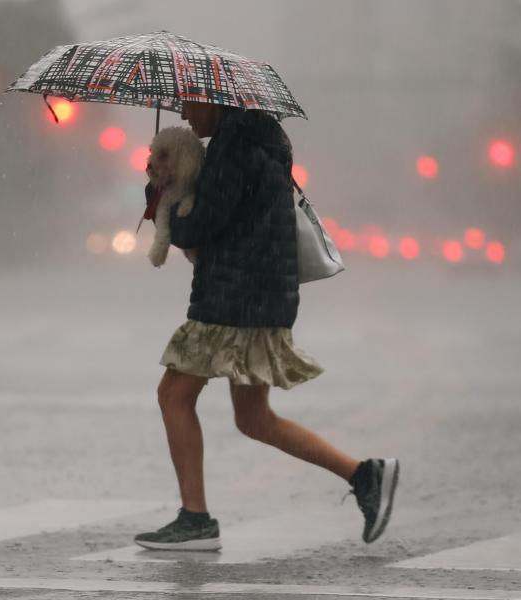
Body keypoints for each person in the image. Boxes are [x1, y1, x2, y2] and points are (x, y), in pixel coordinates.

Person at [134, 100, 400, 551]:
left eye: (191, 101)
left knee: (173, 395)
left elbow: (202, 223)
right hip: (259, 296)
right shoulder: (257, 139)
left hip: (234, 298)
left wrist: (159, 199)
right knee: (254, 418)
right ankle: (365, 475)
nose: (184, 111)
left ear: (214, 99)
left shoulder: (234, 146)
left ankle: (195, 520)